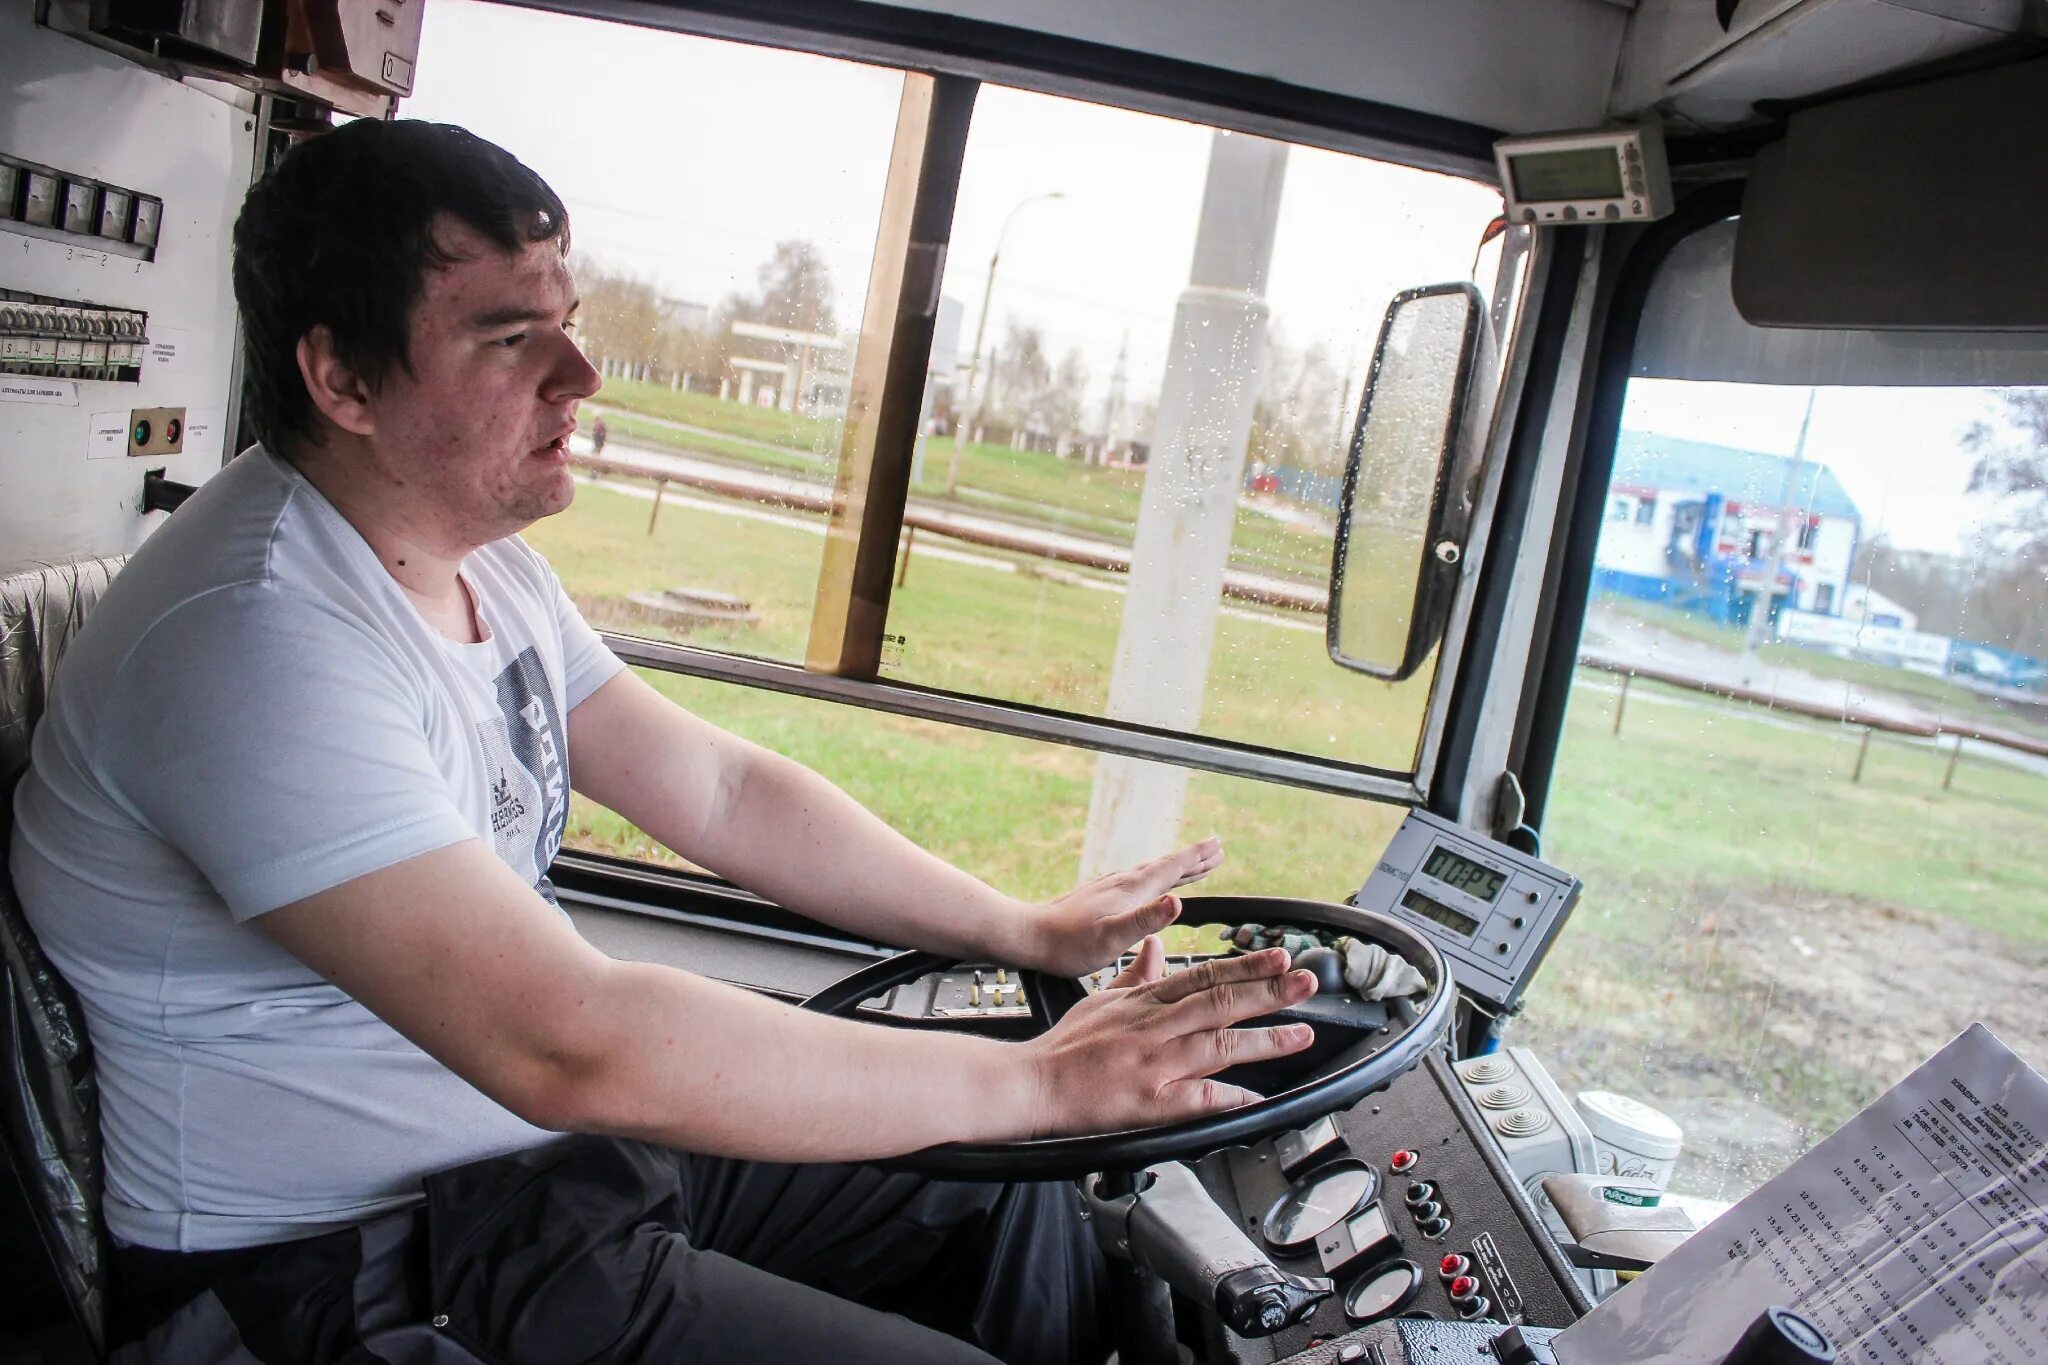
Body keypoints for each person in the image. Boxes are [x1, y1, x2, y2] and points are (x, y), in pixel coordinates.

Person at [7, 119, 1318, 1363]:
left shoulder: (470, 554)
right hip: (339, 1261)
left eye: (568, 325)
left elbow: (722, 787)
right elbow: (568, 1034)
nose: (580, 376)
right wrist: (1044, 1083)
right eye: (511, 338)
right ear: (341, 376)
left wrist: (1020, 929)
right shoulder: (253, 639)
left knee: (995, 1198)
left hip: (532, 1168)